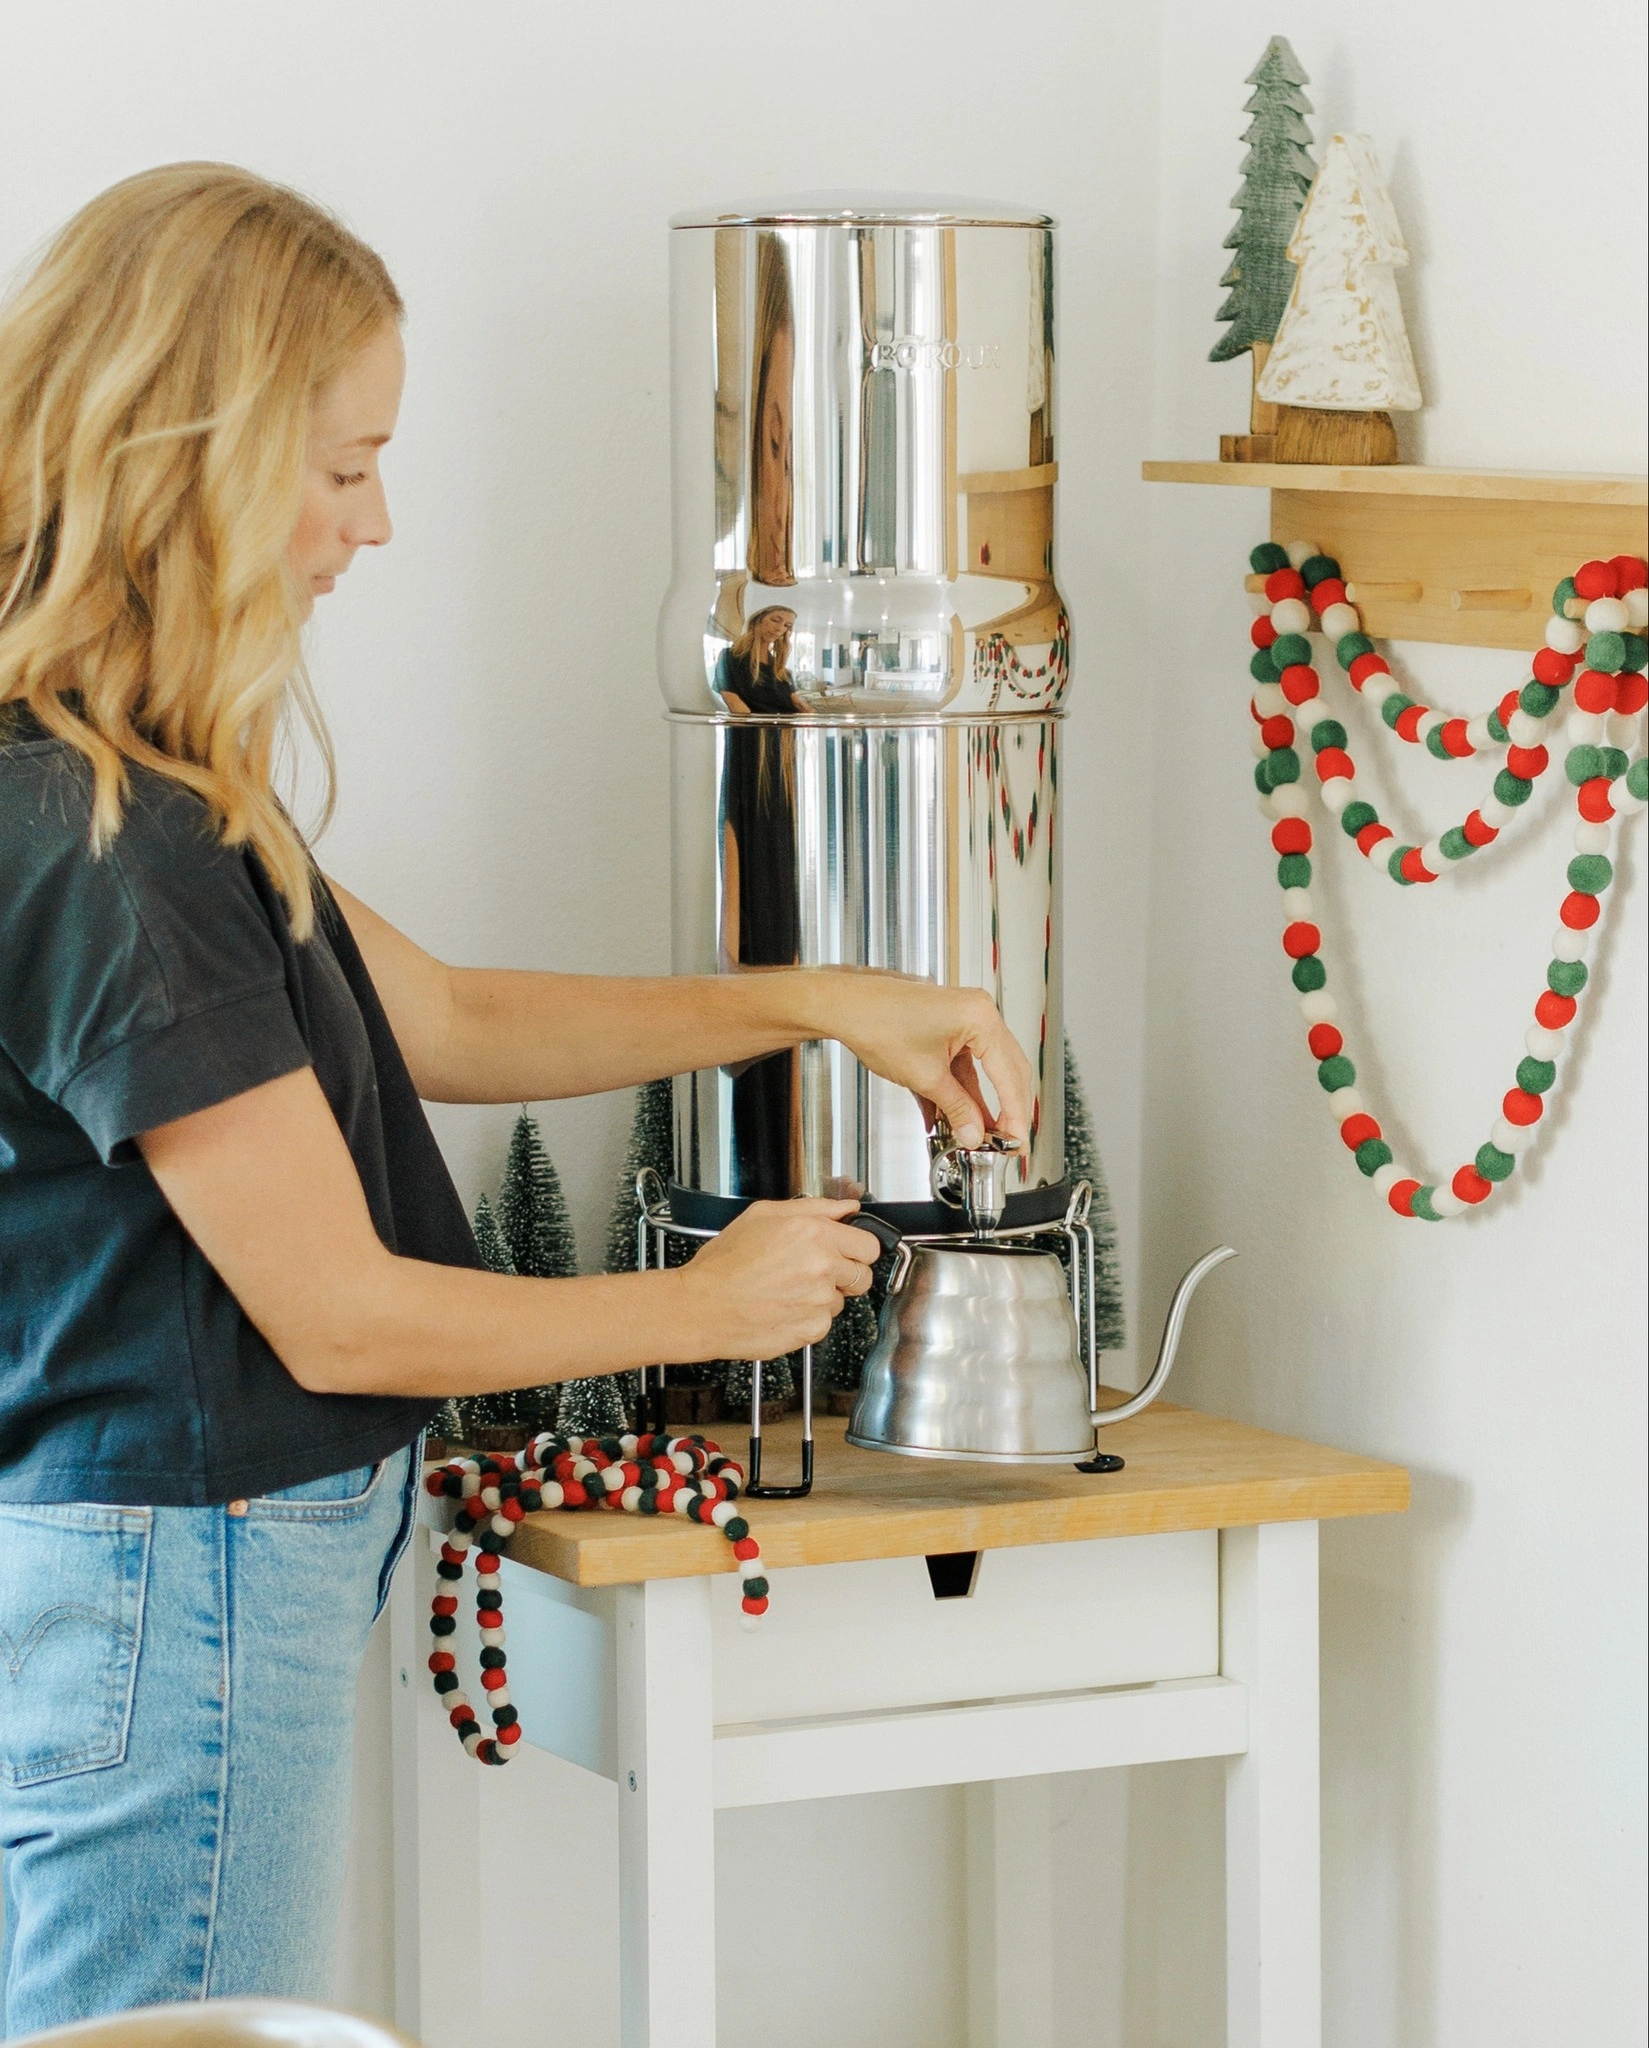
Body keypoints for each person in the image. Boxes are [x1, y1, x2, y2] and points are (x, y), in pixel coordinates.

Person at [0, 165, 1033, 2032]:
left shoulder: (142, 786)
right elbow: (340, 1309)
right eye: (339, 467)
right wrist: (702, 1309)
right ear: (186, 456)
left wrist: (821, 1002)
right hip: (185, 1591)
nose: (374, 521)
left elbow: (449, 1016)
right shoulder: (115, 849)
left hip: (179, 1586)